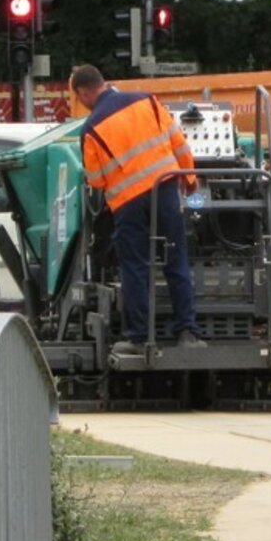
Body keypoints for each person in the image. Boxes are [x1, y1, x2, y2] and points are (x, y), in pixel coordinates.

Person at [69, 64, 201, 356]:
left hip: (128, 203)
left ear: (83, 92)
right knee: (176, 259)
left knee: (135, 267)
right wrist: (189, 179)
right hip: (164, 188)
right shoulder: (147, 100)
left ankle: (140, 339)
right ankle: (187, 332)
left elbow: (96, 180)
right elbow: (177, 141)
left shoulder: (91, 129)